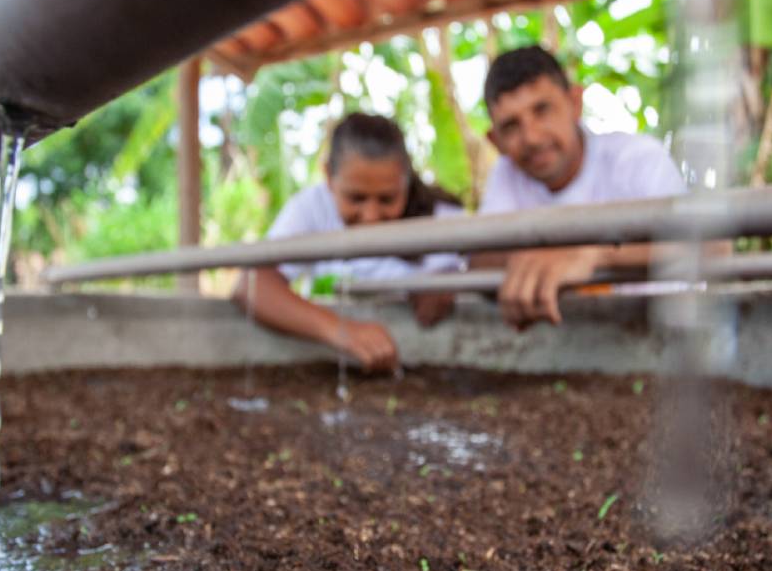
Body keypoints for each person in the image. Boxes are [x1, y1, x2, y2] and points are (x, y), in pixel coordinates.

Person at [473, 45, 688, 329]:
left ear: (575, 102)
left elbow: (709, 245)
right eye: (511, 126)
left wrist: (592, 255)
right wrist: (529, 257)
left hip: (660, 332)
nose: (532, 138)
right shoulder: (506, 174)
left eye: (543, 110)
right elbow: (479, 260)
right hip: (567, 339)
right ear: (495, 141)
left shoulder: (637, 159)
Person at [233, 112, 463, 372]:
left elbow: (450, 291)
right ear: (329, 178)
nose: (371, 216)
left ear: (407, 182)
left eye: (387, 199)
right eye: (356, 198)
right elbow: (251, 285)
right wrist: (341, 331)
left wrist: (442, 288)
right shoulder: (312, 208)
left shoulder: (442, 218)